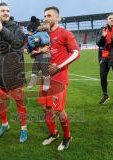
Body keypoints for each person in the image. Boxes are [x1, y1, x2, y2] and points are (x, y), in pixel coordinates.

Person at [0, 2, 28, 143]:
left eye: (7, 10)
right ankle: (4, 125)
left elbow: (18, 45)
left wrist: (2, 29)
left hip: (15, 73)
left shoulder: (17, 28)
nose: (6, 12)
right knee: (0, 102)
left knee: (19, 103)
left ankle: (23, 129)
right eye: (2, 10)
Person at [38, 6, 80, 151]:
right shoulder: (42, 35)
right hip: (45, 77)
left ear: (57, 18)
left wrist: (59, 66)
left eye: (49, 15)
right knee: (45, 108)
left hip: (59, 78)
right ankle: (53, 133)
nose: (46, 18)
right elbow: (36, 54)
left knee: (58, 110)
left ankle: (67, 136)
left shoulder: (65, 33)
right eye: (45, 16)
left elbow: (76, 52)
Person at [26, 16, 51, 91]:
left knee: (44, 67)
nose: (28, 33)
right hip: (39, 54)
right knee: (35, 67)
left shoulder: (43, 33)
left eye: (29, 31)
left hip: (46, 53)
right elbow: (31, 46)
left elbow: (46, 42)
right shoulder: (32, 36)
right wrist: (34, 50)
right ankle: (33, 81)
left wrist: (38, 42)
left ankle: (47, 82)